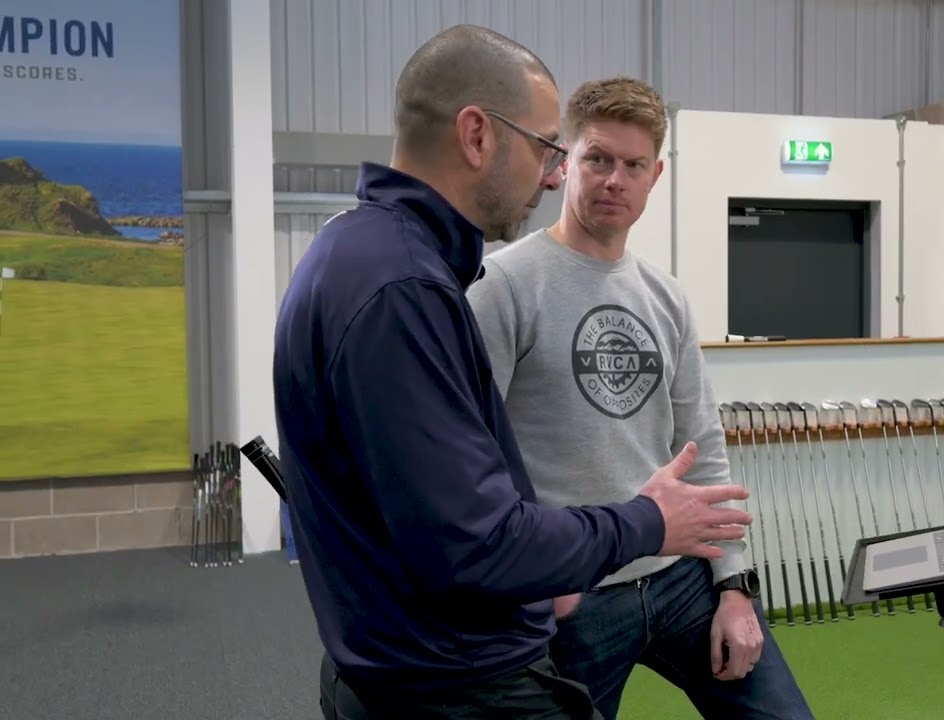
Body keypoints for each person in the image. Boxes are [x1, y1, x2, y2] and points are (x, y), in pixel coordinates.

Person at [271, 27, 755, 719]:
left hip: (444, 654)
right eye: (548, 148)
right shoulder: (406, 290)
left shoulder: (366, 257)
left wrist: (723, 577)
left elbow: (446, 502)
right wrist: (642, 522)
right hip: (455, 683)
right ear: (476, 136)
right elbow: (477, 544)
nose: (553, 174)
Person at [466, 76, 815, 719]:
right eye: (597, 159)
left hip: (680, 576)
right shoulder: (502, 286)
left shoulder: (667, 297)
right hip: (576, 591)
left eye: (632, 166)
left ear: (656, 176)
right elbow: (471, 456)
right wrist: (532, 584)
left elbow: (704, 451)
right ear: (566, 160)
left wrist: (734, 587)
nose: (613, 180)